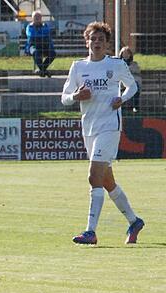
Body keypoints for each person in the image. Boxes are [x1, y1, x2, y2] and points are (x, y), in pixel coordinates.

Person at [61, 21, 144, 245]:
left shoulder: (115, 65)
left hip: (109, 126)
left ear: (107, 44)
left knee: (93, 176)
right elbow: (65, 97)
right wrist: (76, 97)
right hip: (89, 127)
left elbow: (132, 86)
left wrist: (122, 99)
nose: (97, 43)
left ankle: (90, 231)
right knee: (107, 182)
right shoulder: (78, 67)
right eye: (93, 39)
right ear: (87, 41)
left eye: (101, 40)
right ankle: (134, 221)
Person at [24, 11, 56, 77]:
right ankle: (44, 71)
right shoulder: (29, 27)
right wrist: (41, 35)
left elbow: (47, 33)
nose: (37, 19)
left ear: (41, 18)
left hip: (43, 45)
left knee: (53, 53)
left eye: (39, 17)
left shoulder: (45, 26)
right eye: (35, 17)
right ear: (32, 18)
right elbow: (31, 35)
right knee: (36, 52)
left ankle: (42, 70)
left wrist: (40, 34)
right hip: (32, 46)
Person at [119, 46, 142, 112]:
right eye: (124, 53)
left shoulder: (134, 64)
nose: (126, 55)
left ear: (130, 54)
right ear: (121, 54)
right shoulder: (119, 63)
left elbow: (137, 70)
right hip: (122, 83)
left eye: (127, 53)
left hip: (133, 82)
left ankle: (135, 107)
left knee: (135, 88)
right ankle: (122, 106)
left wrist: (127, 69)